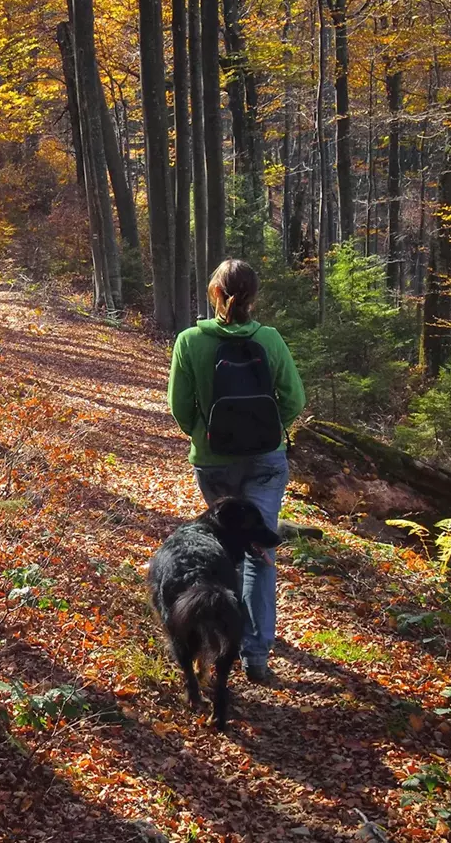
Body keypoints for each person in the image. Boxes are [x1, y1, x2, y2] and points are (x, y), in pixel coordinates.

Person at [167, 259, 307, 684]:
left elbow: (179, 406)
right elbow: (295, 399)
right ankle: (256, 654)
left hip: (214, 464)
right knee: (262, 554)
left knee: (229, 548)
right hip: (266, 460)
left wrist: (206, 436)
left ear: (215, 294)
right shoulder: (270, 339)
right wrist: (269, 432)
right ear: (253, 296)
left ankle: (221, 635)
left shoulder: (190, 341)